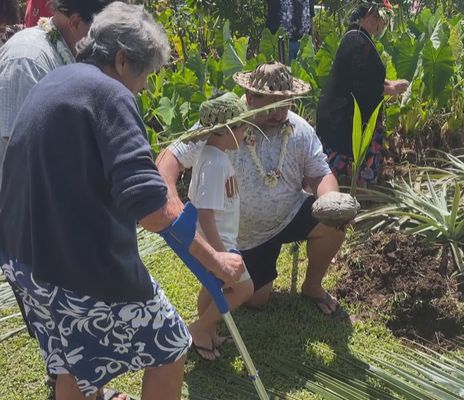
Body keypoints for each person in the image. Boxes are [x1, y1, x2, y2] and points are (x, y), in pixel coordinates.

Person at [0, 3, 244, 399]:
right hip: (72, 268)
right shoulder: (110, 94)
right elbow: (152, 211)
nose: (145, 87)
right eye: (145, 74)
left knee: (73, 363)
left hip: (21, 258)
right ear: (121, 59)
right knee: (171, 345)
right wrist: (215, 260)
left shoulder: (58, 80)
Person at [157, 62, 347, 317]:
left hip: (288, 213)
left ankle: (313, 287)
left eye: (284, 103)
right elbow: (173, 155)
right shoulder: (227, 125)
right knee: (256, 299)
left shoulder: (299, 129)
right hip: (245, 234)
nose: (278, 113)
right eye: (269, 104)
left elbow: (320, 172)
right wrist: (169, 196)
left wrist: (330, 200)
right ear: (249, 97)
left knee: (335, 223)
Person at [0, 0, 116, 183]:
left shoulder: (67, 53)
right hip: (25, 203)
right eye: (101, 33)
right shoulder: (28, 59)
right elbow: (24, 147)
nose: (104, 44)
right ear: (76, 22)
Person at [183, 92, 254, 361]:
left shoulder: (214, 155)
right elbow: (205, 211)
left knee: (211, 287)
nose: (246, 131)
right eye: (242, 126)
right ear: (226, 130)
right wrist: (220, 254)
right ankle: (197, 329)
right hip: (218, 241)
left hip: (220, 239)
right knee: (244, 288)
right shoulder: (215, 163)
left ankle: (207, 332)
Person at [316, 0, 410, 186]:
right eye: (381, 19)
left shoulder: (355, 37)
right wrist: (390, 89)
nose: (382, 24)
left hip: (340, 117)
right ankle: (358, 202)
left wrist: (389, 83)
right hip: (346, 122)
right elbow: (362, 85)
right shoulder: (359, 41)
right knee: (350, 174)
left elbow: (362, 75)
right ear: (370, 15)